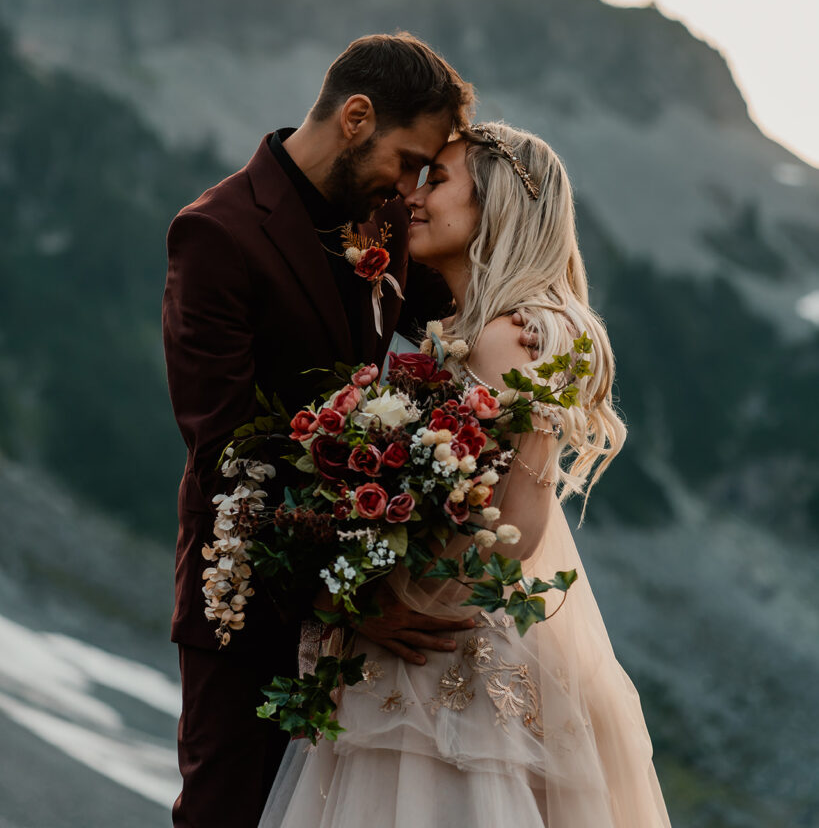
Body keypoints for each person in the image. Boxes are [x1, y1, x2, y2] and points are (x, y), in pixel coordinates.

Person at [259, 122, 672, 827]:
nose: (413, 199)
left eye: (438, 181)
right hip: (451, 643)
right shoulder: (502, 327)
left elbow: (516, 528)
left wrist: (382, 600)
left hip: (435, 656)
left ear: (497, 206)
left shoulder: (503, 337)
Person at [162, 32, 482, 828]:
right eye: (408, 160)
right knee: (225, 813)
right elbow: (227, 445)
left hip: (365, 586)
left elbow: (460, 314)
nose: (411, 190)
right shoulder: (216, 233)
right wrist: (335, 596)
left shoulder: (378, 216)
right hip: (250, 593)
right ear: (355, 116)